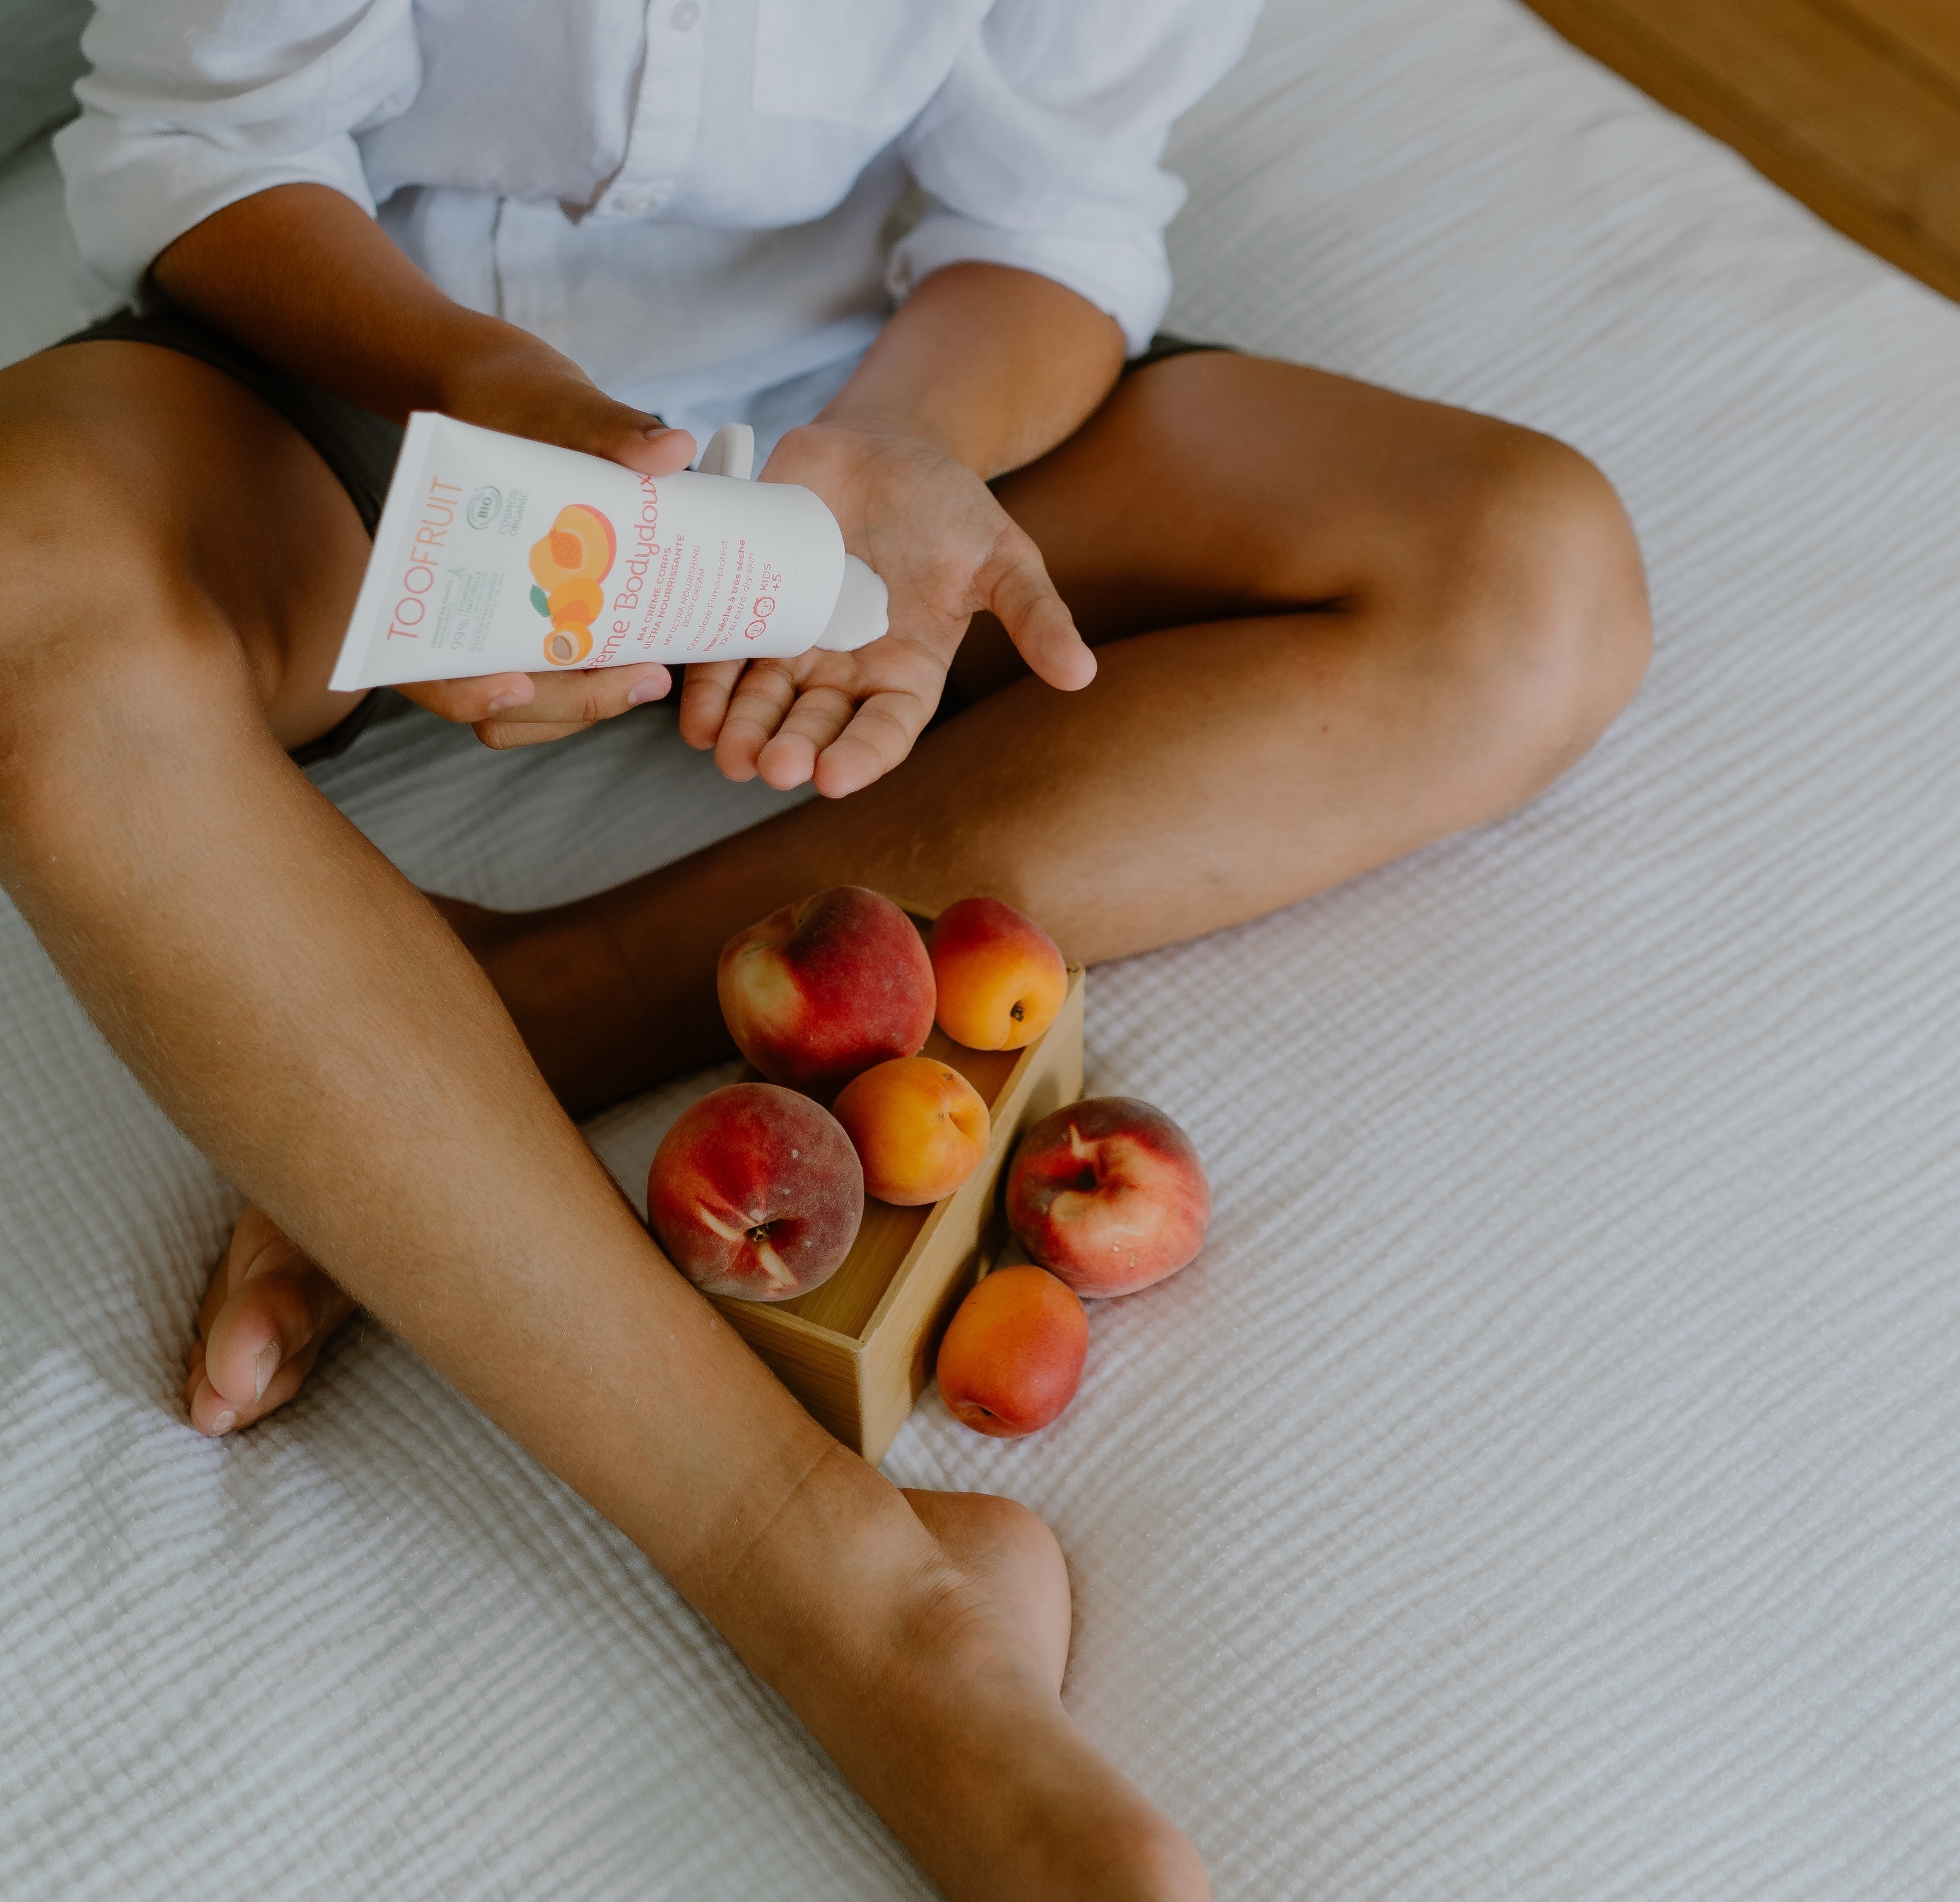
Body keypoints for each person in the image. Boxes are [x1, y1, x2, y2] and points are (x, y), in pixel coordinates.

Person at [0, 2, 1650, 1894]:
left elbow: (1051, 221)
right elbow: (204, 136)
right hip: (346, 386)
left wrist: (882, 459)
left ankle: (503, 1016)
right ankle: (859, 1599)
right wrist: (496, 398)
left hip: (877, 426)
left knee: (1531, 579)